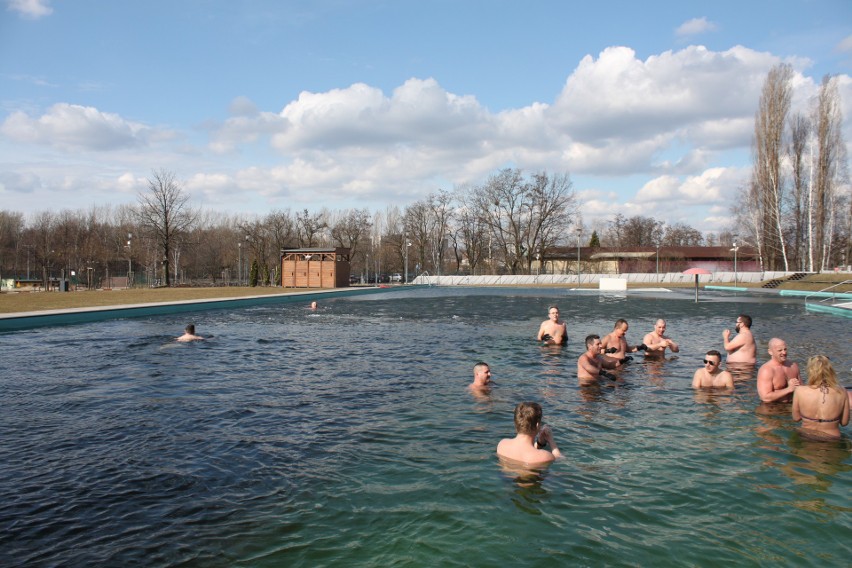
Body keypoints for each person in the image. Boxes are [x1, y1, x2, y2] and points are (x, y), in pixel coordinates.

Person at [792, 355, 850, 439]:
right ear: (830, 371)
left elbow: (796, 418)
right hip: (832, 439)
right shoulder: (842, 391)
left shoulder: (799, 391)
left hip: (806, 436)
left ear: (811, 371)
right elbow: (844, 423)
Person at [496, 401, 562, 464]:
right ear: (537, 425)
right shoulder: (545, 457)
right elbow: (560, 460)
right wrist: (551, 440)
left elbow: (524, 452)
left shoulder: (502, 445)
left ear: (516, 422)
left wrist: (539, 443)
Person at [756, 338, 801, 403]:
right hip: (773, 409)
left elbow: (802, 389)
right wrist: (789, 389)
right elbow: (765, 397)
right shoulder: (766, 370)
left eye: (785, 349)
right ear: (770, 352)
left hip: (791, 407)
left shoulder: (793, 366)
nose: (784, 352)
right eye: (780, 350)